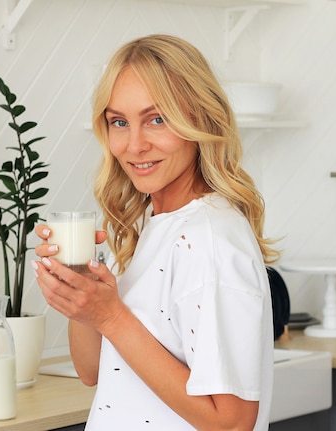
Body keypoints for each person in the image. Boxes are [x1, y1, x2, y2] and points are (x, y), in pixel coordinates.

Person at [31, 34, 279, 431]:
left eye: (157, 119)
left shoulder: (208, 236)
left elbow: (233, 423)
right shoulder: (147, 224)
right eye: (119, 122)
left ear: (200, 118)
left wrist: (112, 317)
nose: (134, 145)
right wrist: (80, 289)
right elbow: (91, 370)